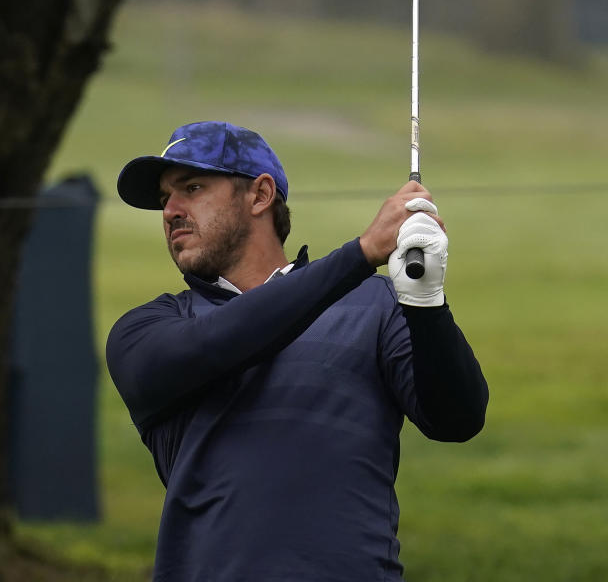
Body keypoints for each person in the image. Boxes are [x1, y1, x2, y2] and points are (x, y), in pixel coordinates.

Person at [105, 121, 489, 581]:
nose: (171, 211)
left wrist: (427, 304)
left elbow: (457, 420)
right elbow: (215, 344)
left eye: (192, 187)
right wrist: (362, 253)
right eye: (166, 199)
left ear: (260, 196)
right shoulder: (148, 329)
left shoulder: (374, 304)